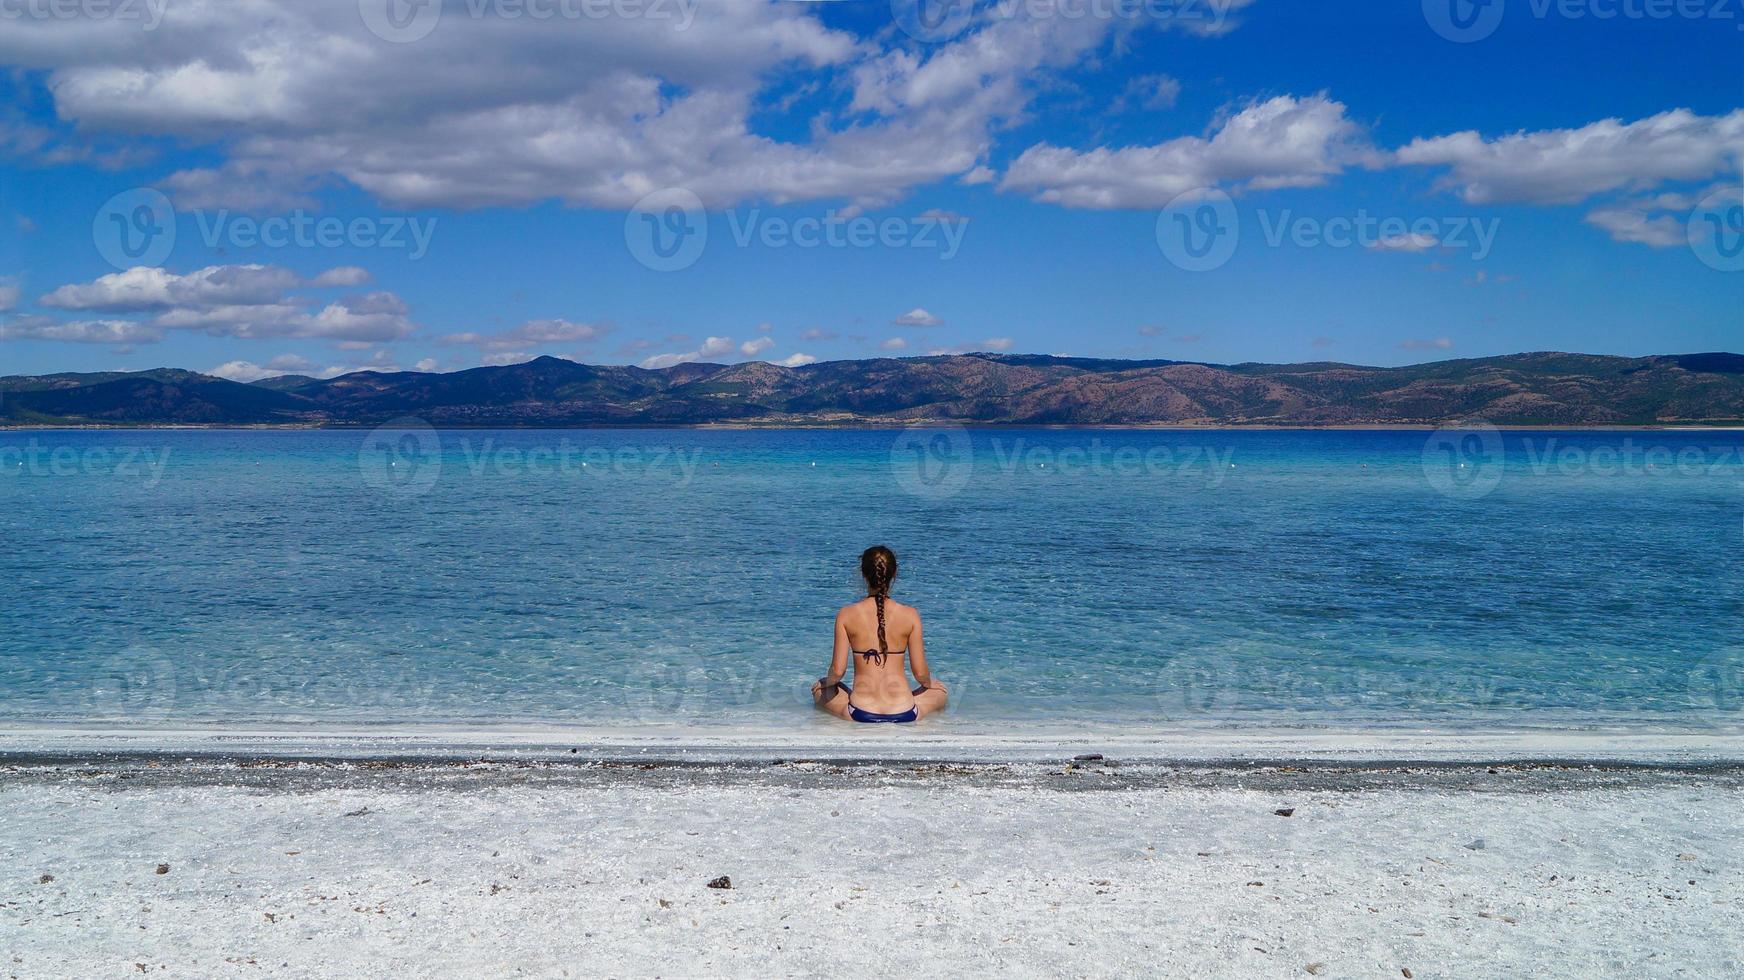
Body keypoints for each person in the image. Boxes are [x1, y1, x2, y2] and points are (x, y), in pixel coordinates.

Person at [811, 546, 948, 723]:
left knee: (821, 688)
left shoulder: (846, 614)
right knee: (940, 691)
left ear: (863, 573)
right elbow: (920, 673)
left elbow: (837, 671)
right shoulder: (910, 615)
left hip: (860, 712)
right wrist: (929, 684)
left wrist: (827, 683)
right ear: (895, 574)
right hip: (905, 712)